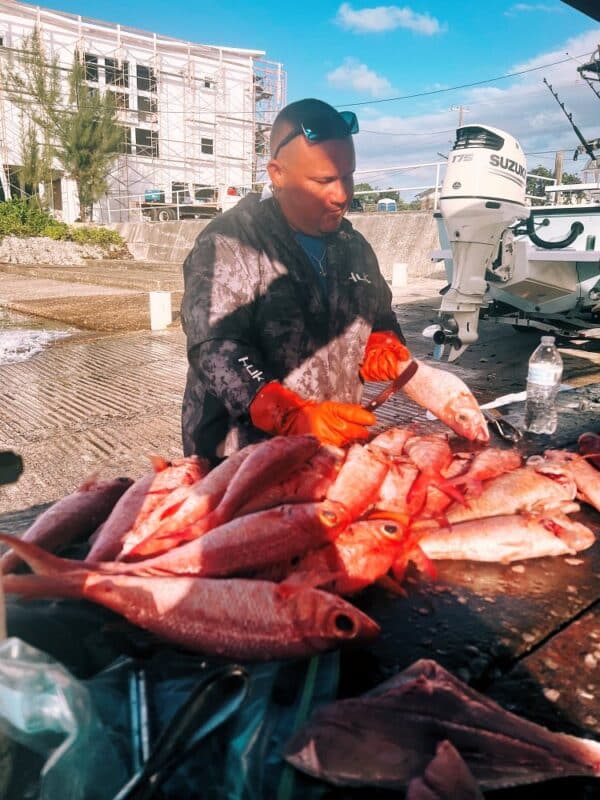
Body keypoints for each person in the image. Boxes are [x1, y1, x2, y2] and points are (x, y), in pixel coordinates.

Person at [180, 98, 483, 463]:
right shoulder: (229, 243)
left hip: (331, 453)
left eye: (348, 176)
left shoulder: (352, 245)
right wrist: (287, 413)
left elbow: (380, 319)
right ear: (277, 174)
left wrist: (387, 349)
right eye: (323, 181)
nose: (342, 195)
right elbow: (216, 348)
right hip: (240, 458)